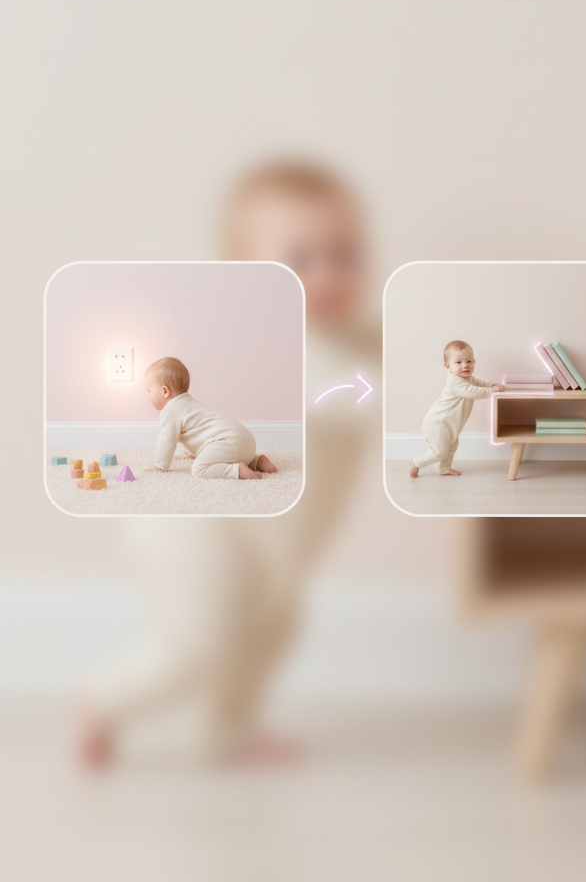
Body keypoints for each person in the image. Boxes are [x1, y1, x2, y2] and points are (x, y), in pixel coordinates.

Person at [75, 159, 378, 766]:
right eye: (301, 259)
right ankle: (102, 699)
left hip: (269, 539)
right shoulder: (280, 337)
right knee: (202, 643)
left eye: (346, 254)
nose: (328, 275)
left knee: (272, 630)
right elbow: (352, 393)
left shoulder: (360, 340)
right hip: (195, 528)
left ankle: (229, 729)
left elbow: (391, 355)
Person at [142, 356, 277, 479]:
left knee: (199, 469)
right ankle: (256, 461)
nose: (147, 395)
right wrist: (196, 452)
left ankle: (237, 470)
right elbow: (204, 433)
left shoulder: (170, 410)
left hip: (227, 441)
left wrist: (160, 466)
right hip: (246, 440)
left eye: (149, 390)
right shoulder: (190, 404)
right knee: (229, 453)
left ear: (165, 391)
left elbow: (166, 440)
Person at [409, 341, 503, 478]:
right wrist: (490, 391)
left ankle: (444, 468)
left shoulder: (468, 378)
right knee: (439, 452)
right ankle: (416, 462)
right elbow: (471, 391)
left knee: (451, 447)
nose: (465, 365)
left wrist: (491, 385)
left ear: (474, 362)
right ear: (448, 366)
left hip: (450, 425)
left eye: (469, 361)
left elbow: (478, 383)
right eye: (458, 362)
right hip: (438, 423)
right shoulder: (455, 381)